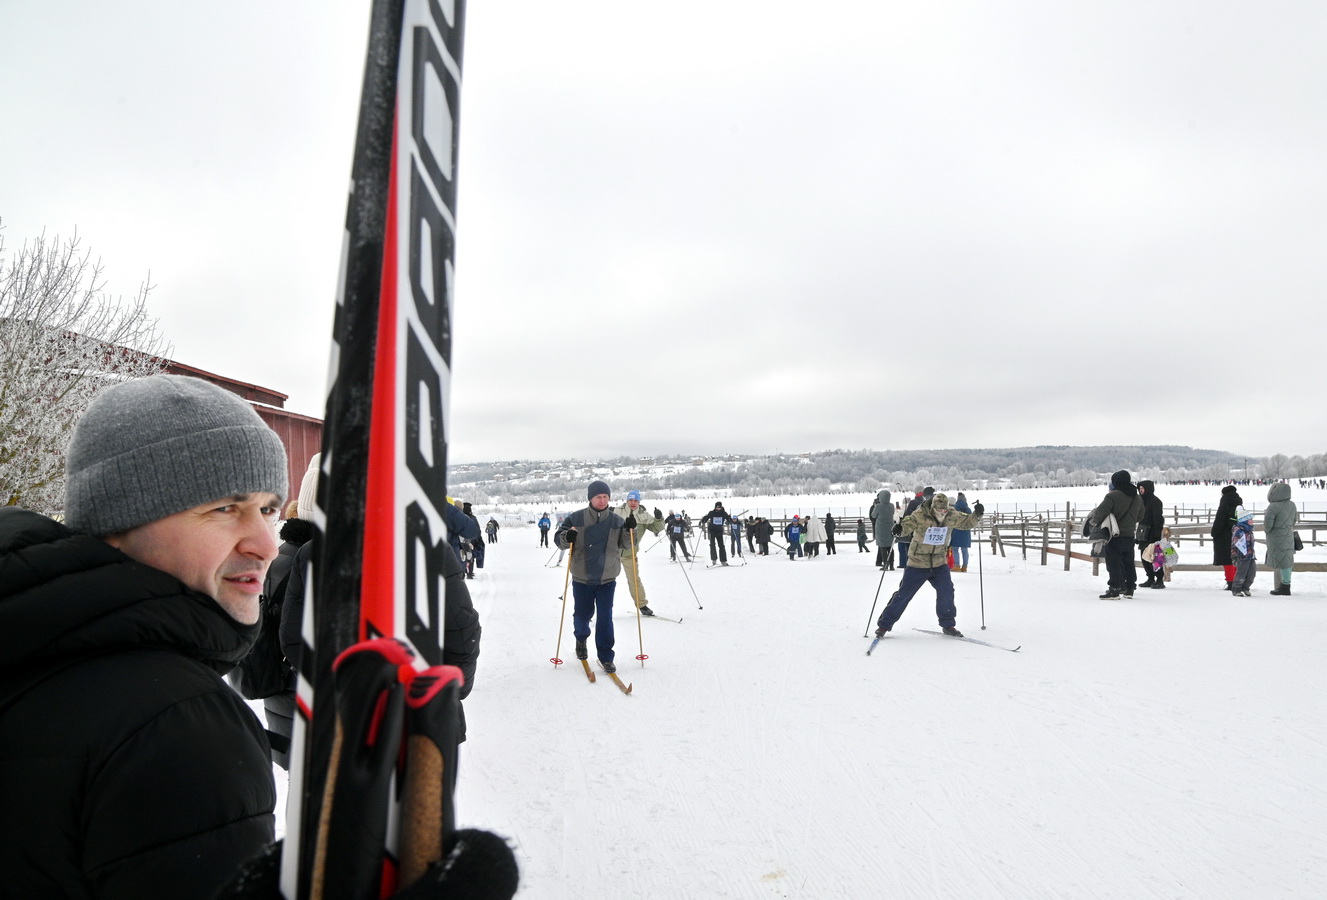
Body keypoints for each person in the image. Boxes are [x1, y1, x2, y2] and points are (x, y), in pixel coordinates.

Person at [0, 374, 287, 896]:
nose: (267, 544)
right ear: (119, 520)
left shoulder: (28, 641)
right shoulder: (177, 719)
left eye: (269, 509)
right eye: (225, 507)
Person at [874, 492, 984, 637]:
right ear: (932, 508)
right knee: (904, 594)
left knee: (947, 591)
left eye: (944, 510)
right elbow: (908, 523)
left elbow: (966, 523)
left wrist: (977, 515)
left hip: (939, 562)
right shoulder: (921, 514)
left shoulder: (952, 515)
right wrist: (900, 529)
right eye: (939, 510)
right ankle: (884, 625)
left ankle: (948, 625)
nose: (942, 513)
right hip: (918, 563)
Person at [555, 481, 634, 673]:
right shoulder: (576, 518)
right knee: (583, 615)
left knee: (605, 617)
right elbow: (559, 540)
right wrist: (566, 537)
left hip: (607, 577)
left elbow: (627, 544)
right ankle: (581, 639)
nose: (602, 500)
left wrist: (631, 530)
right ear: (590, 498)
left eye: (605, 497)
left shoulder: (617, 521)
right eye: (598, 497)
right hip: (582, 577)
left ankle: (606, 656)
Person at [1088, 470, 1145, 599]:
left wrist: (1096, 522)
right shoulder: (1137, 497)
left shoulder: (1112, 496)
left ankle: (1114, 589)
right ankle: (1130, 588)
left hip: (1114, 535)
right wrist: (1130, 523)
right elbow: (1141, 515)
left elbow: (1100, 514)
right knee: (1128, 562)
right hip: (1129, 534)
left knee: (1113, 562)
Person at [615, 489, 665, 615]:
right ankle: (599, 609)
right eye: (630, 500)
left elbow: (656, 528)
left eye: (635, 500)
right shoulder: (617, 511)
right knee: (605, 581)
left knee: (634, 580)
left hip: (629, 554)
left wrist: (659, 518)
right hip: (612, 553)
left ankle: (642, 605)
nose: (633, 503)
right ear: (627, 501)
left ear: (639, 502)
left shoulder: (644, 515)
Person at [1263, 482, 1298, 595]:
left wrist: (1268, 531)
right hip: (1288, 535)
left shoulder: (1272, 507)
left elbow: (1268, 525)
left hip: (1276, 538)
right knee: (1287, 560)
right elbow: (1294, 520)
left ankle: (1285, 586)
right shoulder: (1292, 504)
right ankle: (1285, 584)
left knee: (1282, 562)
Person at [1210, 485, 1243, 590]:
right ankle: (1237, 580)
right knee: (1236, 559)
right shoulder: (1239, 504)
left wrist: (1214, 533)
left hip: (1224, 536)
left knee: (1227, 560)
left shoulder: (1224, 504)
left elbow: (1219, 521)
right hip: (1238, 535)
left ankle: (1230, 582)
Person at [1136, 480, 1166, 589]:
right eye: (1140, 488)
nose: (1141, 490)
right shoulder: (1141, 501)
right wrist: (1138, 536)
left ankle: (1159, 580)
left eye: (1143, 488)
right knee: (1144, 557)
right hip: (1143, 533)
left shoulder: (1156, 502)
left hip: (1152, 534)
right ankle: (1150, 578)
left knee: (1156, 558)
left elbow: (1158, 520)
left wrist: (1157, 535)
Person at [1230, 507, 1257, 597]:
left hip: (1250, 555)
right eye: (1250, 519)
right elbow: (1235, 543)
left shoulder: (1249, 530)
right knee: (1241, 573)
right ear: (1244, 520)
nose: (1252, 521)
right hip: (1242, 556)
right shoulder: (1238, 530)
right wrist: (1235, 555)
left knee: (1251, 573)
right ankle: (1236, 589)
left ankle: (1246, 587)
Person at [869, 489, 895, 568]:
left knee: (882, 547)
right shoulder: (892, 506)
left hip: (881, 529)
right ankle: (891, 565)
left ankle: (885, 564)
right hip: (890, 528)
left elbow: (873, 516)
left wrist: (875, 506)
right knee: (890, 547)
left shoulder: (878, 506)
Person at [950, 493, 973, 572]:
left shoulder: (955, 508)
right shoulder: (968, 509)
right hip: (966, 531)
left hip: (956, 531)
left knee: (955, 549)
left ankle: (957, 565)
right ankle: (965, 566)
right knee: (964, 549)